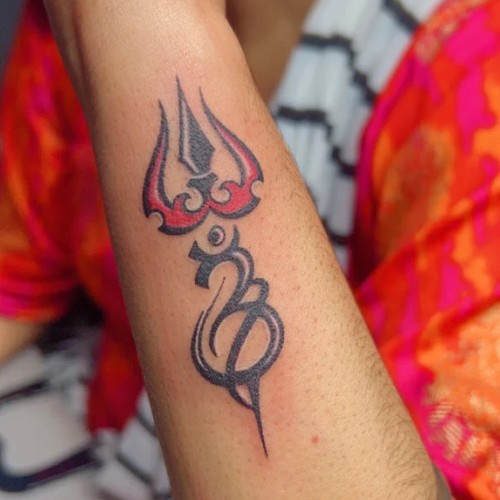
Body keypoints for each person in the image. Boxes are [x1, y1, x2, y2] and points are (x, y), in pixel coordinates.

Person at [0, 0, 497, 498]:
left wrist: (155, 35)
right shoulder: (75, 23)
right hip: (94, 425)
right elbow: (17, 282)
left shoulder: (470, 78)